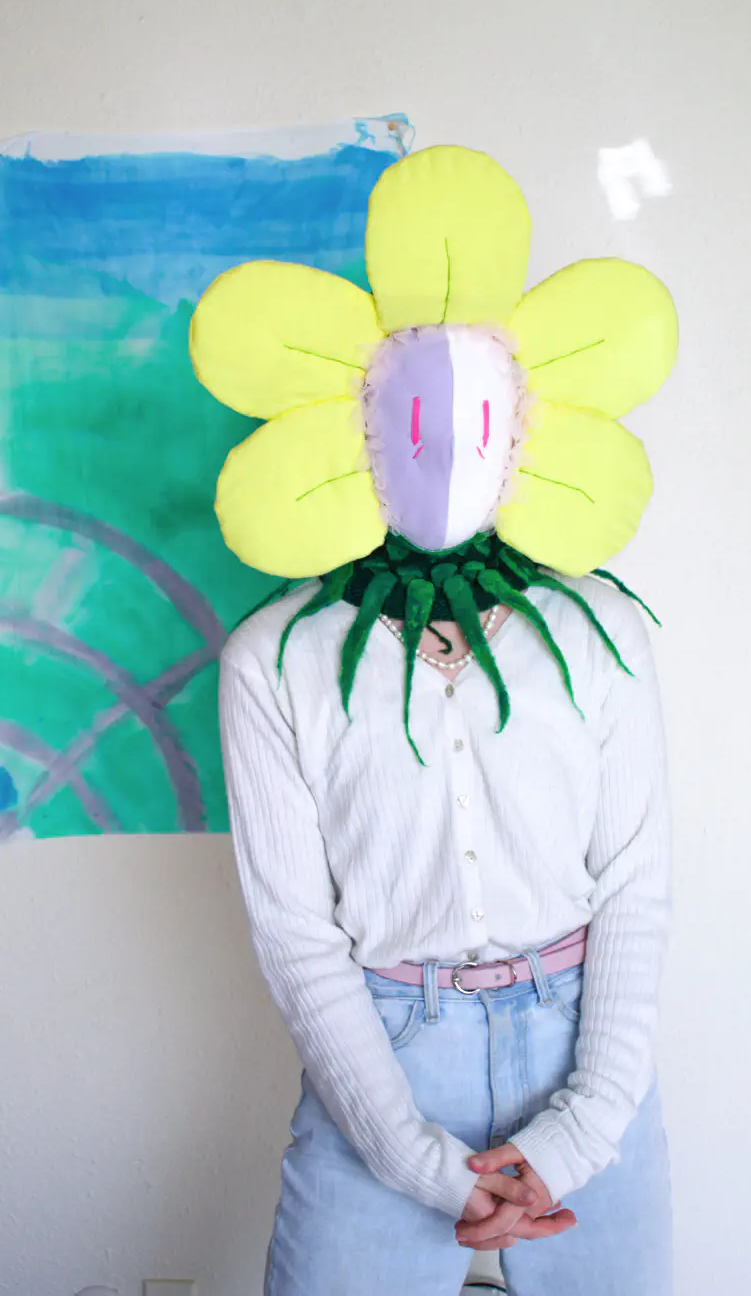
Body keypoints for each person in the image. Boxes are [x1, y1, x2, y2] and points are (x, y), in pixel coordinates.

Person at [190, 145, 677, 1296]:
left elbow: (637, 887)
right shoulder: (274, 660)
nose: (448, 443)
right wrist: (413, 1159)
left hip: (585, 1056)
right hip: (382, 1063)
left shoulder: (604, 633)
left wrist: (581, 1131)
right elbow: (297, 936)